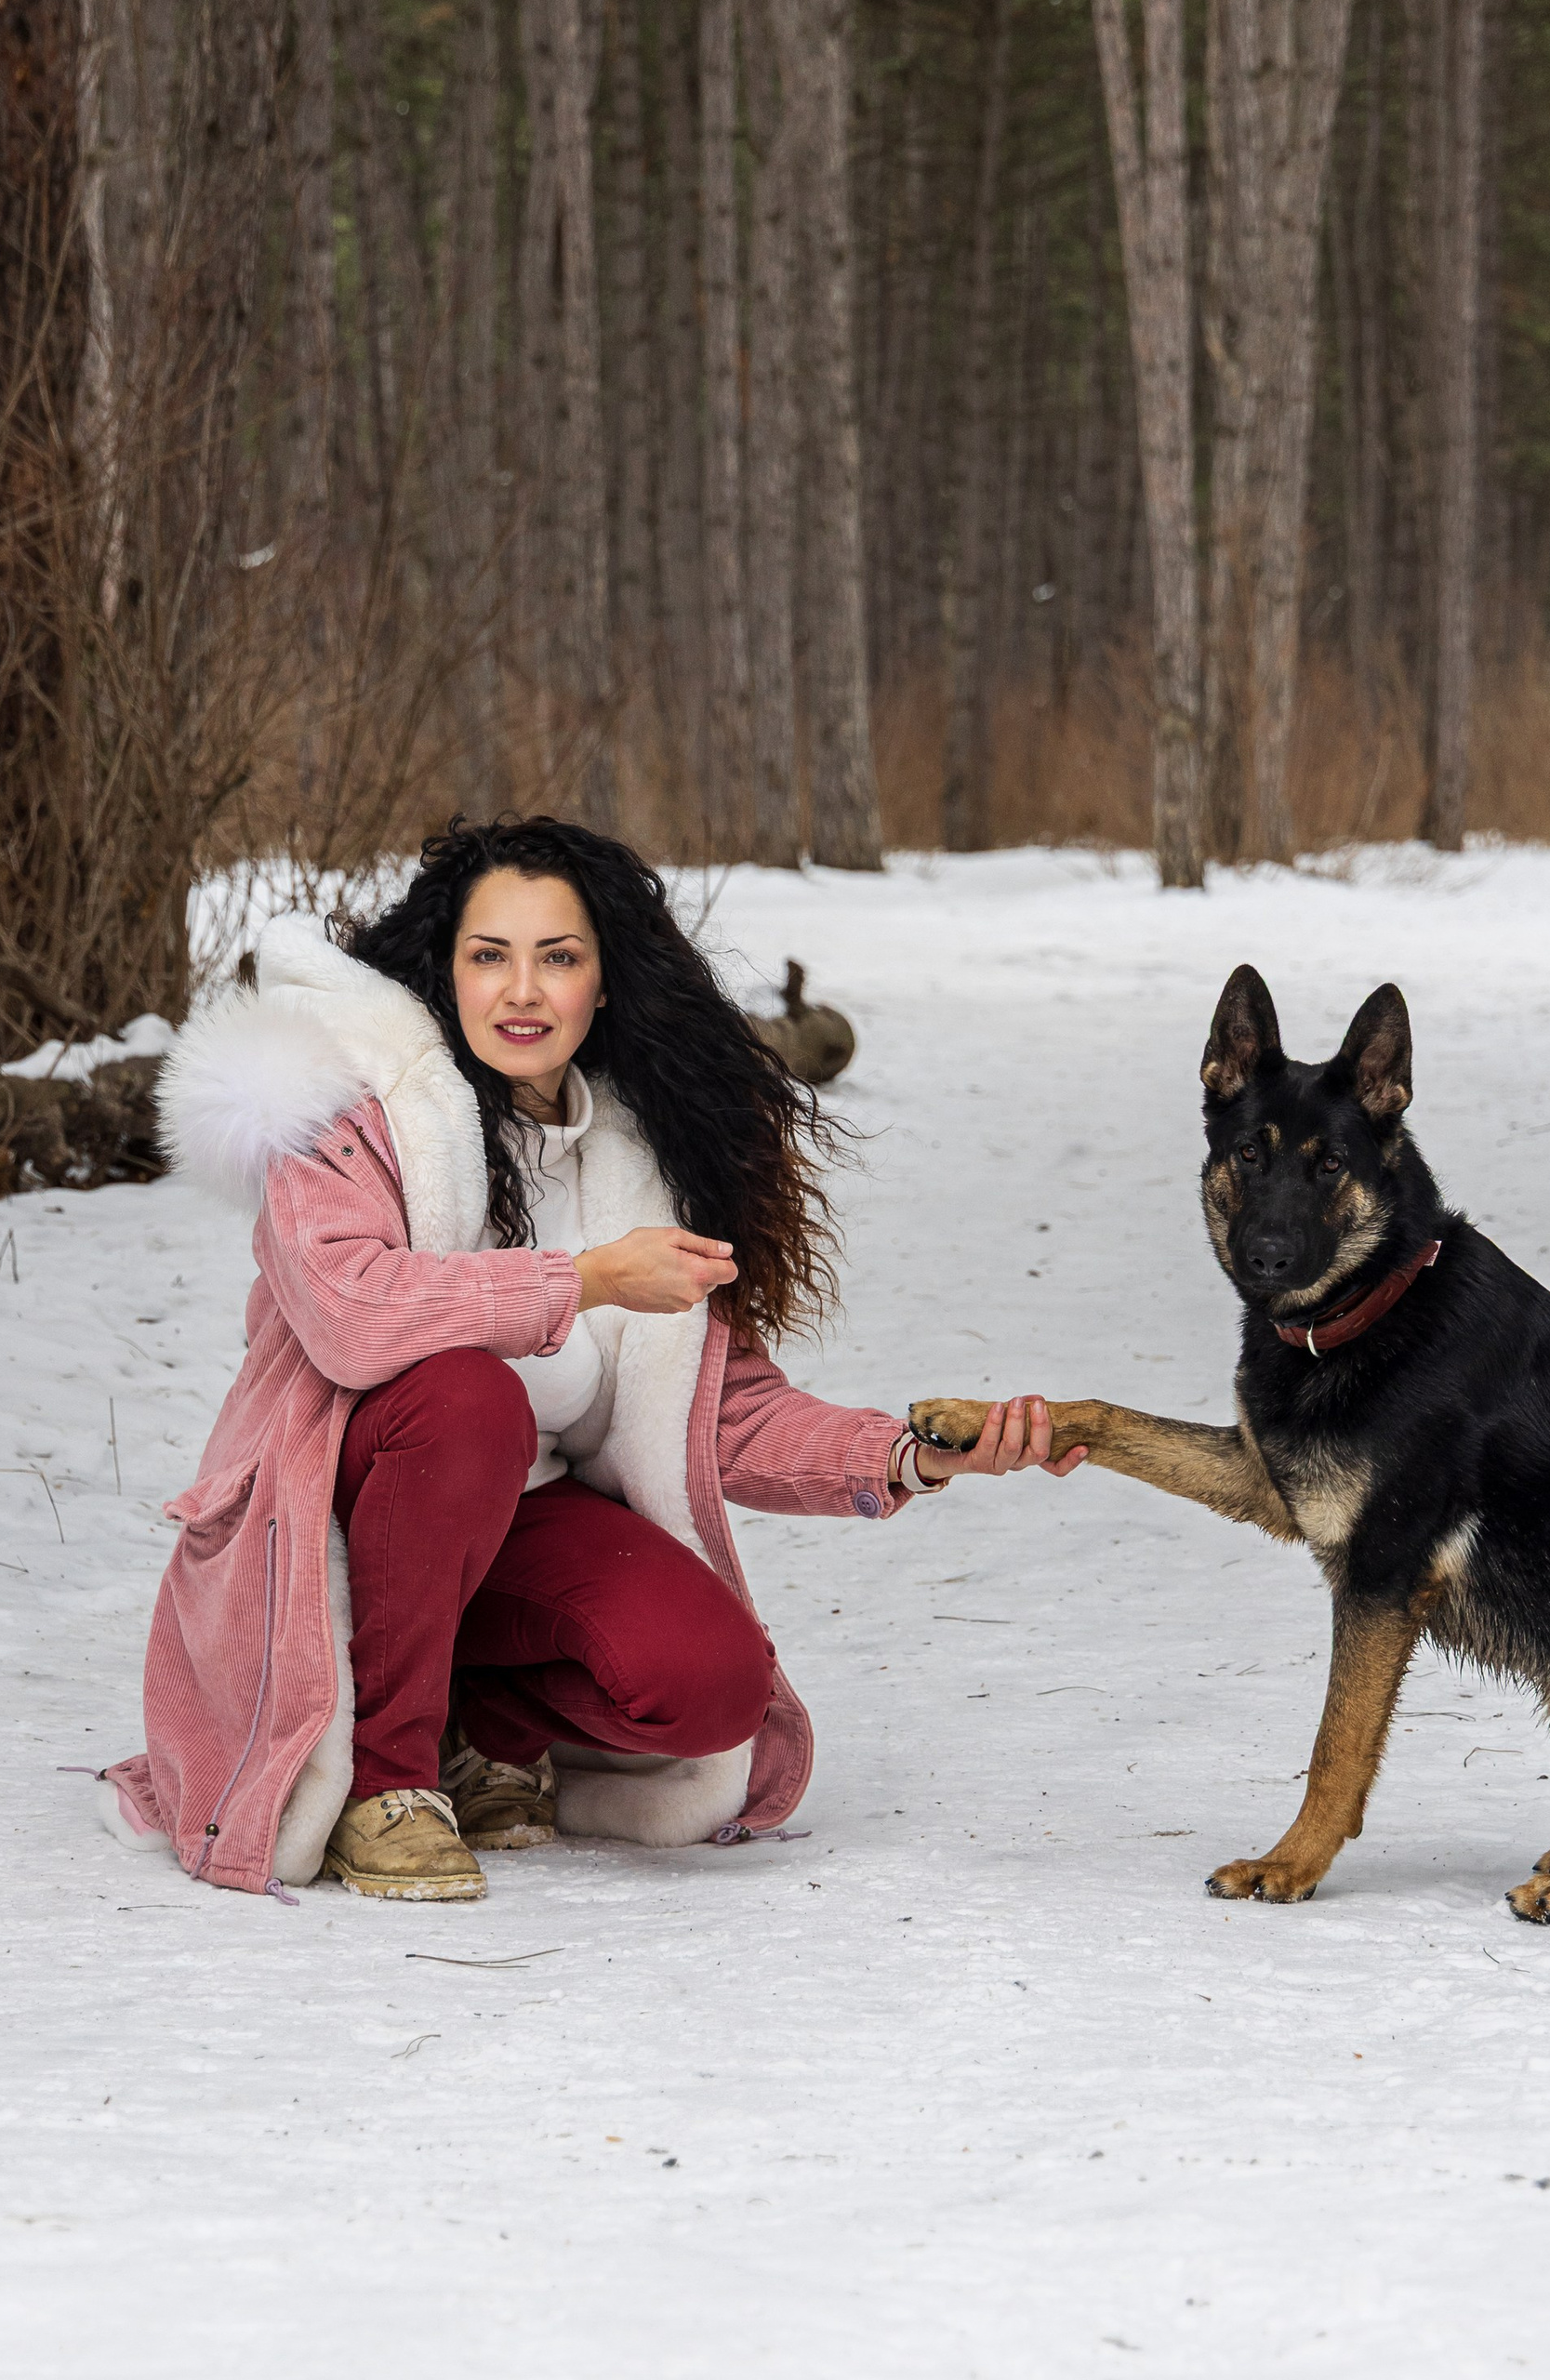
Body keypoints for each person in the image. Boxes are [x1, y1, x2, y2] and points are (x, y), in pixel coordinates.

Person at [98, 815, 1075, 1904]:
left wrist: (905, 1455)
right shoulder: (352, 1119)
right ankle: (389, 1783)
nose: (523, 990)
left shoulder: (636, 1158)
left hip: (519, 1526)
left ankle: (481, 1721)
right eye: (490, 956)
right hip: (344, 1511)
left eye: (557, 958)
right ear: (443, 971)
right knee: (468, 1399)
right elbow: (350, 1317)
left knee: (710, 1685)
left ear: (603, 984)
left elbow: (721, 1410)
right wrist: (584, 1282)